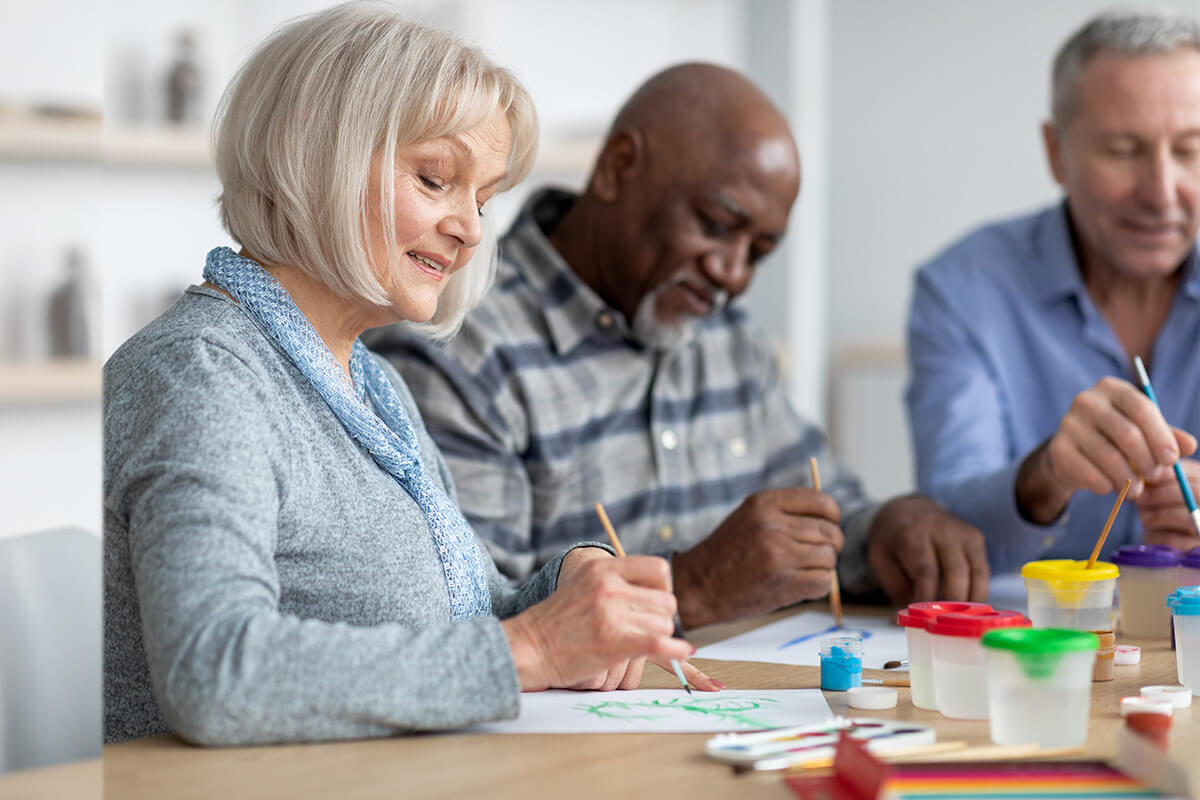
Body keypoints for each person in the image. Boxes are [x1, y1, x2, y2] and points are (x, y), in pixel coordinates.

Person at [103, 3, 713, 748]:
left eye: (483, 200)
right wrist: (536, 648)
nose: (471, 229)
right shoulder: (201, 376)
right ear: (316, 158)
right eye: (435, 180)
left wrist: (571, 585)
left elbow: (470, 614)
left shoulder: (373, 383)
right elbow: (215, 672)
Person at [365, 63, 989, 627]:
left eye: (759, 254)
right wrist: (692, 586)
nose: (733, 274)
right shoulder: (457, 345)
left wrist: (883, 530)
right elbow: (470, 619)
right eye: (717, 226)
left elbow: (826, 514)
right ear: (617, 168)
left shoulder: (728, 339)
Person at [907, 9, 1200, 576]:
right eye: (1122, 149)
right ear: (1055, 152)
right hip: (1037, 652)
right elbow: (945, 527)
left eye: (1190, 150)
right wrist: (1045, 477)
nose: (1162, 192)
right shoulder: (962, 288)